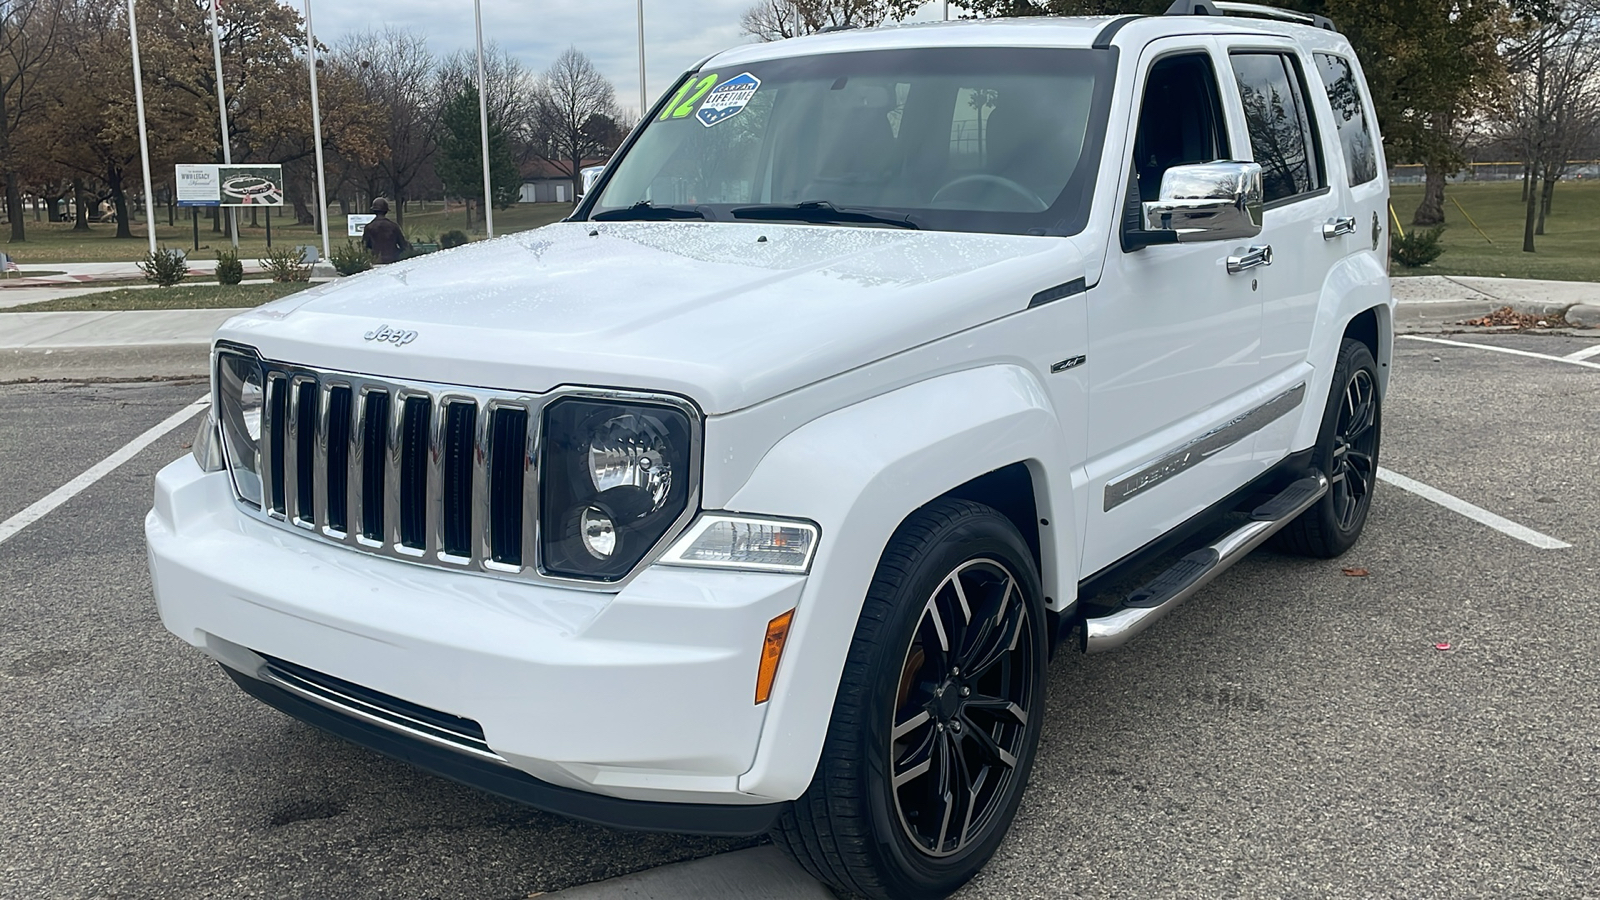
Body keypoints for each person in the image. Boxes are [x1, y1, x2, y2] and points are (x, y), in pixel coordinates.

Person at [361, 198, 411, 264]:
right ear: (386, 211)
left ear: (374, 211)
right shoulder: (394, 226)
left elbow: (365, 246)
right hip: (393, 261)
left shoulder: (369, 227)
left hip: (376, 261)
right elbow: (403, 245)